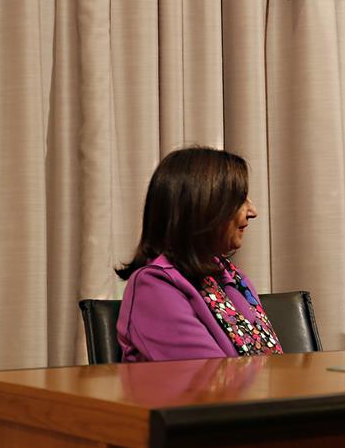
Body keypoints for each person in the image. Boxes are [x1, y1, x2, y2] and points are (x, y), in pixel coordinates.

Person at [115, 147, 283, 362]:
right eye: (240, 200)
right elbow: (210, 380)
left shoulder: (233, 278)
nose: (253, 211)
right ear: (203, 206)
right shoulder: (154, 285)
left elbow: (271, 363)